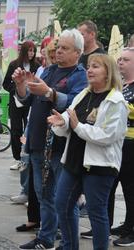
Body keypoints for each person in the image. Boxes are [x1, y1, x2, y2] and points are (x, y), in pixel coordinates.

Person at [13, 29, 88, 250]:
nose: (58, 51)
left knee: (65, 200)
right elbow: (27, 100)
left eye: (64, 48)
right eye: (58, 47)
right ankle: (45, 238)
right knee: (43, 195)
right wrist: (21, 85)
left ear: (78, 52)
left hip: (61, 146)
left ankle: (68, 243)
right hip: (38, 142)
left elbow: (75, 104)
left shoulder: (80, 75)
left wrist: (49, 93)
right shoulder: (48, 70)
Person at [48, 53, 128, 250]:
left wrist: (76, 126)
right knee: (62, 204)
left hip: (100, 165)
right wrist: (62, 123)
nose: (90, 70)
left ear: (108, 73)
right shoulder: (85, 93)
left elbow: (107, 136)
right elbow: (70, 117)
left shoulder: (116, 101)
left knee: (96, 212)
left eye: (96, 67)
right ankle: (69, 246)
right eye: (89, 66)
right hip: (75, 160)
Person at [110, 47, 134, 247]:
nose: (120, 63)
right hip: (119, 142)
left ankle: (131, 230)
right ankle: (123, 224)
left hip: (132, 144)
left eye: (125, 59)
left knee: (130, 188)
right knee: (112, 185)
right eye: (119, 59)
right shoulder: (123, 86)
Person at [3, 40, 40, 171]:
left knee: (28, 130)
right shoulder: (14, 65)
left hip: (30, 103)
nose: (32, 53)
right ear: (24, 51)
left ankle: (26, 156)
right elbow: (6, 83)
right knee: (16, 130)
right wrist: (18, 88)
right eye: (29, 50)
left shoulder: (37, 66)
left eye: (33, 50)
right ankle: (17, 158)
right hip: (16, 102)